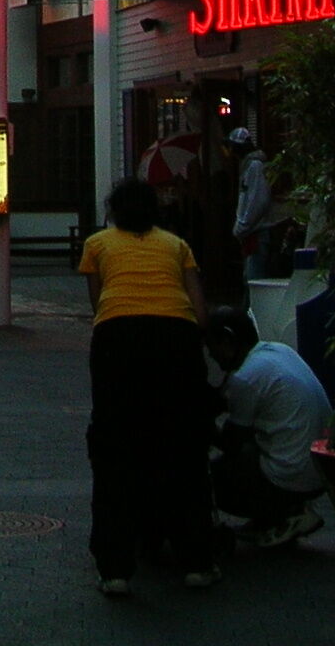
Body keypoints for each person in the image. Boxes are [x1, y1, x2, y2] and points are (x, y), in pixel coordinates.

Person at [77, 176, 222, 595]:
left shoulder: (98, 245)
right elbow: (200, 311)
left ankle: (115, 567)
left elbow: (98, 302)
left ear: (114, 210)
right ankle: (196, 559)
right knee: (184, 448)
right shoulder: (176, 246)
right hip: (176, 341)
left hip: (117, 340)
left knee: (114, 449)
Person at [203, 305, 331, 548]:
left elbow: (231, 443)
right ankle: (277, 513)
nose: (214, 359)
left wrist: (204, 426)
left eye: (213, 349)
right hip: (320, 473)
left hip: (292, 476)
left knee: (213, 478)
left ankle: (282, 511)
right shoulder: (279, 351)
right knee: (257, 442)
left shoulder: (246, 378)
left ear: (228, 340)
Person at [229, 128, 276, 280]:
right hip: (251, 231)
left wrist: (242, 226)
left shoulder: (255, 166)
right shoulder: (249, 166)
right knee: (250, 275)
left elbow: (257, 200)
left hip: (255, 231)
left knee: (254, 277)